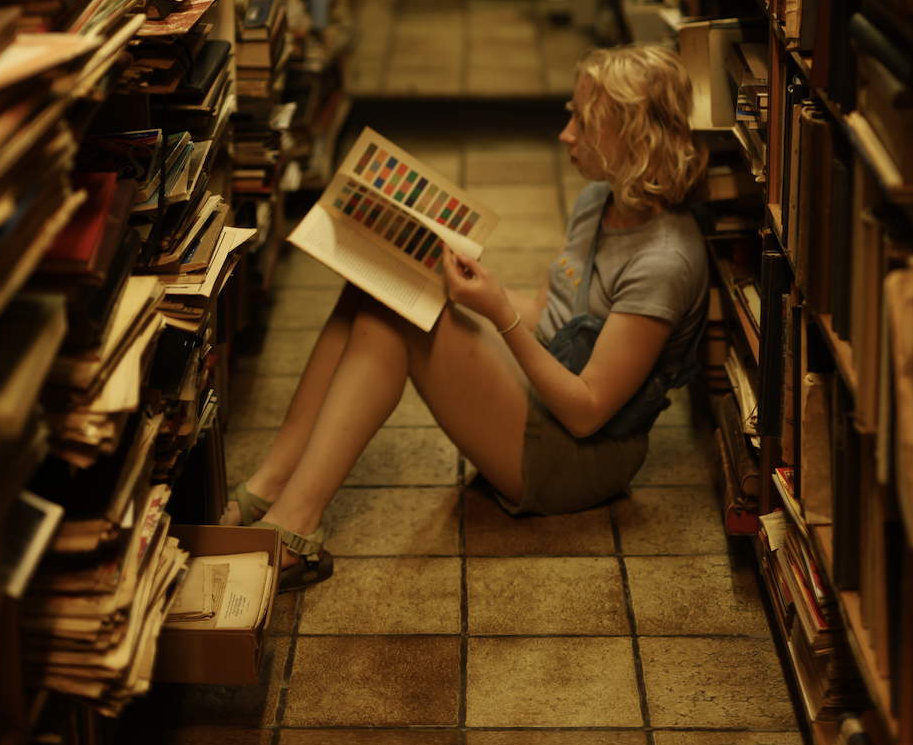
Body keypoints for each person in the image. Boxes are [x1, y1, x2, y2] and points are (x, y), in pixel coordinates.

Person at [222, 44, 710, 589]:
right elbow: (555, 317)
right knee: (382, 284)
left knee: (397, 318)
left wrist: (499, 312)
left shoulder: (665, 261)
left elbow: (587, 412)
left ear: (634, 136)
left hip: (578, 458)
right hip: (546, 387)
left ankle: (293, 526)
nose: (566, 133)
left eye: (584, 121)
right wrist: (474, 288)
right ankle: (271, 486)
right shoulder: (602, 199)